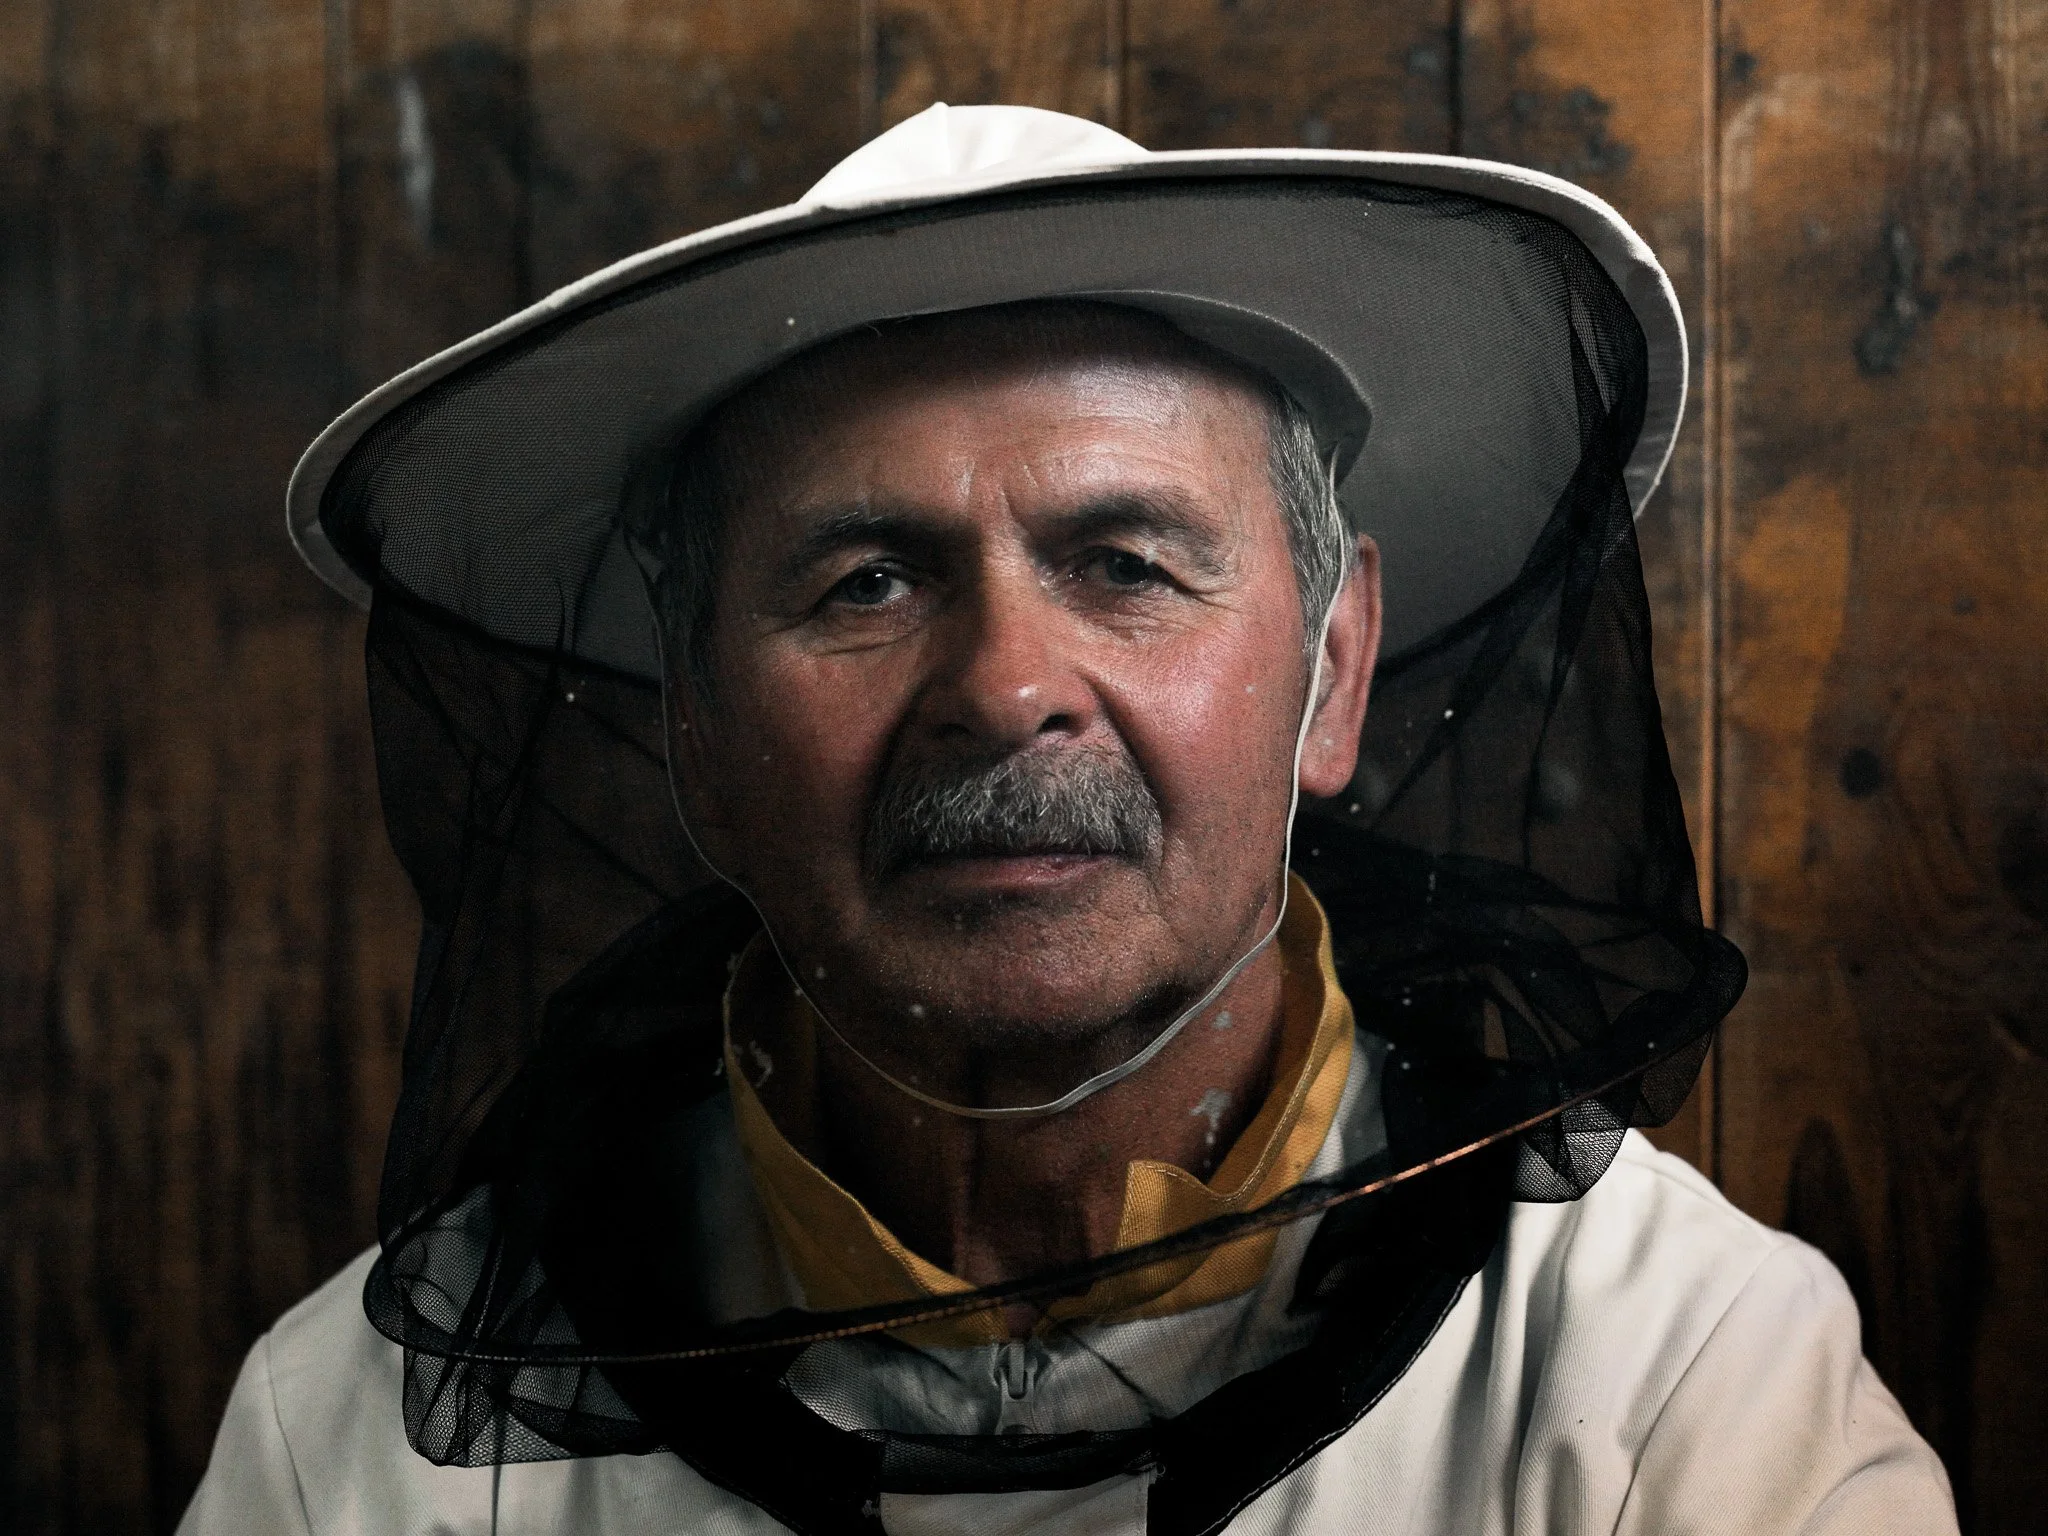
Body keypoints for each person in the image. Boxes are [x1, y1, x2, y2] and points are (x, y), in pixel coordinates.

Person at [179, 104, 1957, 1535]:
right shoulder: (351, 1460)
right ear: (700, 730)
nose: (1004, 683)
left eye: (1124, 565)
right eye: (866, 580)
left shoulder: (1688, 1395)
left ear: (1332, 672)